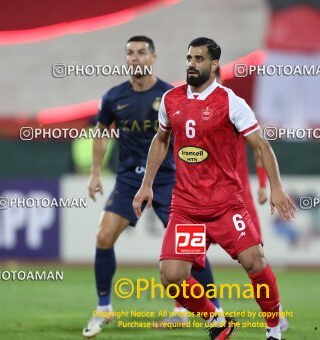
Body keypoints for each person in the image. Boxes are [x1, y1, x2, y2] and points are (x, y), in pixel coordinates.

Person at [133, 37, 296, 340]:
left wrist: (275, 188)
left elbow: (261, 145)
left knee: (255, 262)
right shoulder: (171, 100)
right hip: (187, 209)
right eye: (189, 58)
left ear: (214, 64)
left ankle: (274, 329)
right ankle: (218, 320)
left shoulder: (231, 102)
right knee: (172, 278)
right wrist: (147, 185)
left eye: (198, 59)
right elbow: (161, 139)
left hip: (225, 205)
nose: (191, 65)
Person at [84, 35, 222, 338]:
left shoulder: (171, 95)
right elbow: (101, 133)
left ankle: (214, 311)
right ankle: (104, 309)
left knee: (190, 249)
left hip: (169, 179)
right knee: (103, 236)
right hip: (129, 178)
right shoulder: (113, 97)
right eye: (130, 53)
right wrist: (95, 173)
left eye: (142, 52)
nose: (135, 57)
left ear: (154, 58)